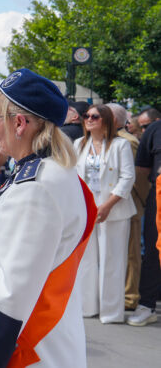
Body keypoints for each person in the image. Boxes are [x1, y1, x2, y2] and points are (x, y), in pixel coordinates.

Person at [0, 68, 95, 367]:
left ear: (19, 123)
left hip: (25, 348)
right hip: (42, 335)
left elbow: (13, 292)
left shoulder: (36, 187)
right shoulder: (50, 171)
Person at [74, 104, 135, 323]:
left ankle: (110, 312)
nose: (89, 119)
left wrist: (108, 205)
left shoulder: (120, 145)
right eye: (86, 116)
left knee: (113, 261)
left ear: (106, 120)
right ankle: (87, 306)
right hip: (87, 208)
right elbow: (73, 177)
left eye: (95, 116)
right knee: (86, 261)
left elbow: (128, 177)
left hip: (114, 209)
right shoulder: (79, 144)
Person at [107, 103, 145, 311]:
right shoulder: (108, 140)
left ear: (113, 120)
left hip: (129, 202)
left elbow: (136, 177)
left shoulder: (126, 142)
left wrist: (142, 202)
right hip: (111, 203)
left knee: (130, 251)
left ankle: (129, 296)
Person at [128, 109, 161, 326]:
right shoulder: (155, 129)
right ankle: (147, 305)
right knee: (153, 250)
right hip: (158, 199)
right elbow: (142, 168)